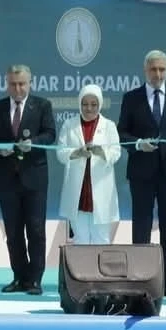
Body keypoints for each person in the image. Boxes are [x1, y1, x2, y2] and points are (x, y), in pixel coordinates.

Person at [117, 50, 166, 298]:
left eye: (162, 69)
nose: (158, 74)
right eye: (153, 69)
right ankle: (139, 281)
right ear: (145, 70)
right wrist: (139, 143)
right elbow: (122, 133)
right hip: (141, 173)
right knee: (141, 227)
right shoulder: (132, 98)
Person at [0, 64, 56, 295]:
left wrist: (33, 143)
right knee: (13, 232)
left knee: (36, 230)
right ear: (7, 84)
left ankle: (35, 279)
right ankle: (19, 276)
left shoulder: (42, 105)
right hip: (7, 179)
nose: (17, 89)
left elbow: (50, 134)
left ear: (30, 83)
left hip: (35, 178)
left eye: (22, 84)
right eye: (13, 84)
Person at [56, 84, 121, 245]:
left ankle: (101, 264)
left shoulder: (109, 125)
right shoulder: (69, 125)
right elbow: (60, 152)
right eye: (85, 104)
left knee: (102, 240)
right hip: (78, 192)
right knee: (80, 240)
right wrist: (76, 153)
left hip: (100, 190)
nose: (89, 108)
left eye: (93, 104)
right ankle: (81, 264)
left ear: (99, 104)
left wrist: (101, 152)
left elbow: (116, 152)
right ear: (80, 104)